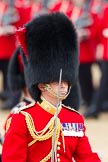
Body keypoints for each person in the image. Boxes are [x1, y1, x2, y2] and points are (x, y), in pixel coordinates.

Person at [2, 12, 101, 162]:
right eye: (57, 81)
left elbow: (87, 157)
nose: (63, 85)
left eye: (66, 81)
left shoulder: (75, 119)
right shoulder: (22, 119)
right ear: (42, 85)